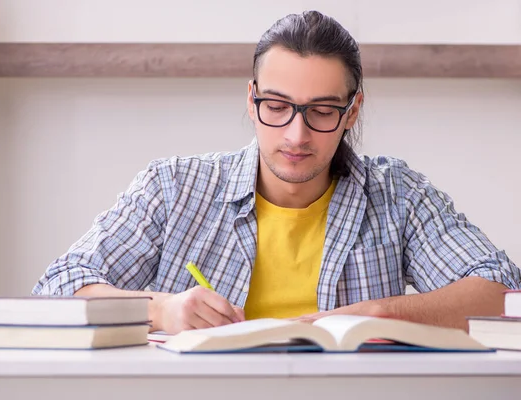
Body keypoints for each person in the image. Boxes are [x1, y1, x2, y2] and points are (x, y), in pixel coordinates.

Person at [32, 11, 521, 334]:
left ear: (352, 112)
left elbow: (504, 291)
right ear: (251, 99)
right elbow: (57, 288)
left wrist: (383, 314)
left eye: (322, 111)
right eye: (277, 106)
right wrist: (160, 309)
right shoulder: (174, 187)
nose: (296, 135)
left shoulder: (397, 195)